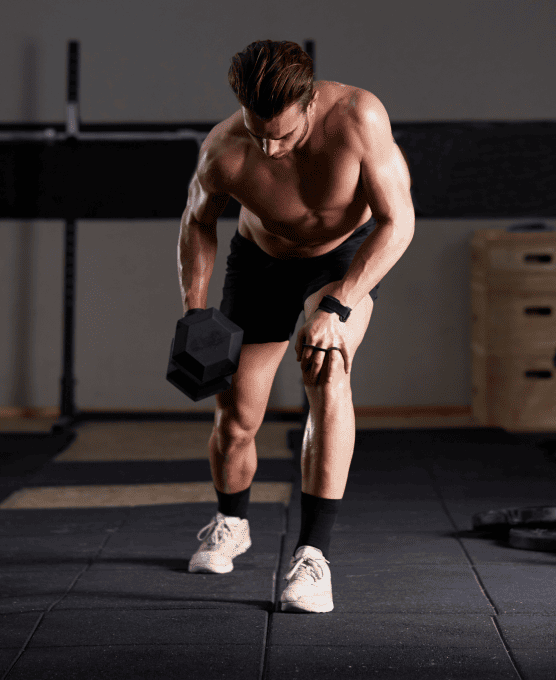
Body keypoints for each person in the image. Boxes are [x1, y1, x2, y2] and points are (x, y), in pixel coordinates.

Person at [178, 40, 414, 613]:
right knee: (237, 415)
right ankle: (231, 523)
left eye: (283, 135)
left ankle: (313, 557)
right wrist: (196, 312)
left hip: (342, 260)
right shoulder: (223, 150)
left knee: (328, 372)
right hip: (260, 264)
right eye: (258, 133)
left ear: (310, 104)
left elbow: (398, 221)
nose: (270, 148)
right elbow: (197, 223)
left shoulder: (358, 117)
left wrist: (341, 305)